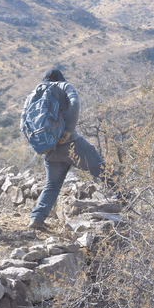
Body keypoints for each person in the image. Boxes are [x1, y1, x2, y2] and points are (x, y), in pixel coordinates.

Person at [21, 68, 115, 231]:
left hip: (50, 151)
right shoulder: (64, 86)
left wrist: (38, 144)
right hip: (72, 145)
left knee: (52, 185)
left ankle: (36, 219)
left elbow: (24, 122)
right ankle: (128, 201)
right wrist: (69, 130)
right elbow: (75, 102)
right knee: (103, 170)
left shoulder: (32, 96)